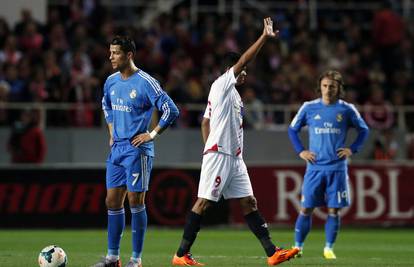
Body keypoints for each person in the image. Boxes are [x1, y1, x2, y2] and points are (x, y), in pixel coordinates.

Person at [172, 17, 299, 266]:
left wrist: (207, 145)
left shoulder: (233, 95)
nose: (245, 72)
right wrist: (264, 37)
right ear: (232, 70)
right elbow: (243, 60)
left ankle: (272, 252)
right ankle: (180, 255)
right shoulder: (221, 84)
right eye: (241, 70)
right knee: (204, 203)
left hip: (235, 157)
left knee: (249, 202)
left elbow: (204, 122)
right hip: (220, 154)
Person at [93, 36, 179, 267]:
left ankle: (136, 259)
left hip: (137, 150)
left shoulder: (145, 82)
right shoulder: (111, 81)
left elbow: (171, 110)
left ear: (129, 55)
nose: (110, 57)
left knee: (135, 201)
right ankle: (112, 258)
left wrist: (151, 134)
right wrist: (111, 130)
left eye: (115, 53)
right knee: (112, 201)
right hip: (117, 149)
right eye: (110, 52)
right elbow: (106, 105)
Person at [288, 70, 369, 259]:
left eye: (332, 86)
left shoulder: (347, 109)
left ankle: (328, 248)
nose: (327, 89)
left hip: (337, 168)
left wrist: (353, 149)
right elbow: (293, 130)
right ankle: (298, 247)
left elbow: (363, 130)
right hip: (314, 167)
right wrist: (301, 151)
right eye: (324, 86)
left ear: (339, 88)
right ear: (320, 87)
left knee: (334, 209)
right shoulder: (309, 107)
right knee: (306, 207)